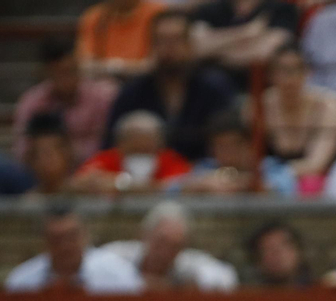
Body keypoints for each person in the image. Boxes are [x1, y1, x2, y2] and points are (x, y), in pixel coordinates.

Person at [105, 10, 238, 161]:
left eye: (176, 40)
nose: (169, 49)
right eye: (161, 41)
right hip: (147, 176)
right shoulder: (133, 91)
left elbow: (230, 138)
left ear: (190, 44)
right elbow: (111, 145)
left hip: (205, 173)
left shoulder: (214, 87)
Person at [16, 37, 119, 167]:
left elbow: (111, 145)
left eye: (71, 71)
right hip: (42, 174)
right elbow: (22, 149)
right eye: (60, 73)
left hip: (92, 172)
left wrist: (70, 153)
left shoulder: (103, 98)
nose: (67, 80)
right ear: (47, 73)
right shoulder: (33, 102)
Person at [99, 201, 239, 290]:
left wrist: (179, 286)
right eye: (161, 242)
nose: (165, 252)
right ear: (145, 236)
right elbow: (93, 266)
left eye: (175, 246)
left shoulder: (186, 264)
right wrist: (140, 284)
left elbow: (227, 277)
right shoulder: (119, 254)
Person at [259, 44, 336, 183]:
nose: (289, 79)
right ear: (270, 74)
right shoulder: (258, 106)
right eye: (282, 71)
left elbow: (317, 164)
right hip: (269, 186)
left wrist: (277, 175)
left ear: (308, 72)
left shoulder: (330, 106)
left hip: (319, 187)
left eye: (296, 70)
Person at [5, 206, 145, 293]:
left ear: (85, 235)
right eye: (56, 239)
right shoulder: (22, 281)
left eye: (71, 237)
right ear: (44, 242)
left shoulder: (118, 273)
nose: (65, 246)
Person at [73, 109, 195, 194]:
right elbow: (80, 181)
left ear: (159, 145)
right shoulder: (106, 159)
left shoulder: (170, 160)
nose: (141, 152)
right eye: (135, 150)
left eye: (146, 150)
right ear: (120, 144)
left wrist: (120, 184)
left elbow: (185, 183)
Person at [179, 110, 299, 194]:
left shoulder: (270, 167)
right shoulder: (206, 168)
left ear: (249, 146)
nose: (227, 153)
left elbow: (287, 188)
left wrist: (245, 184)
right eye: (220, 147)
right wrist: (201, 186)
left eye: (233, 145)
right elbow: (172, 188)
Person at [190, 0, 301, 77]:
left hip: (258, 86)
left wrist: (213, 50)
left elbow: (264, 53)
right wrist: (247, 32)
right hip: (209, 86)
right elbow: (195, 47)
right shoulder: (208, 10)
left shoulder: (282, 10)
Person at [77, 0, 166, 78]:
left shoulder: (157, 13)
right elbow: (85, 64)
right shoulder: (94, 17)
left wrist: (113, 68)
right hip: (103, 85)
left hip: (146, 83)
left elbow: (157, 64)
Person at [22, 114, 81, 199]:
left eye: (53, 151)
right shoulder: (28, 204)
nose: (48, 160)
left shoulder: (87, 196)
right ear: (31, 159)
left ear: (67, 153)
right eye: (41, 153)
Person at [245, 219, 312, 286]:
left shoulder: (319, 290)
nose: (277, 254)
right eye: (268, 249)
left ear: (299, 251)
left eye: (283, 246)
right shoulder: (248, 293)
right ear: (258, 261)